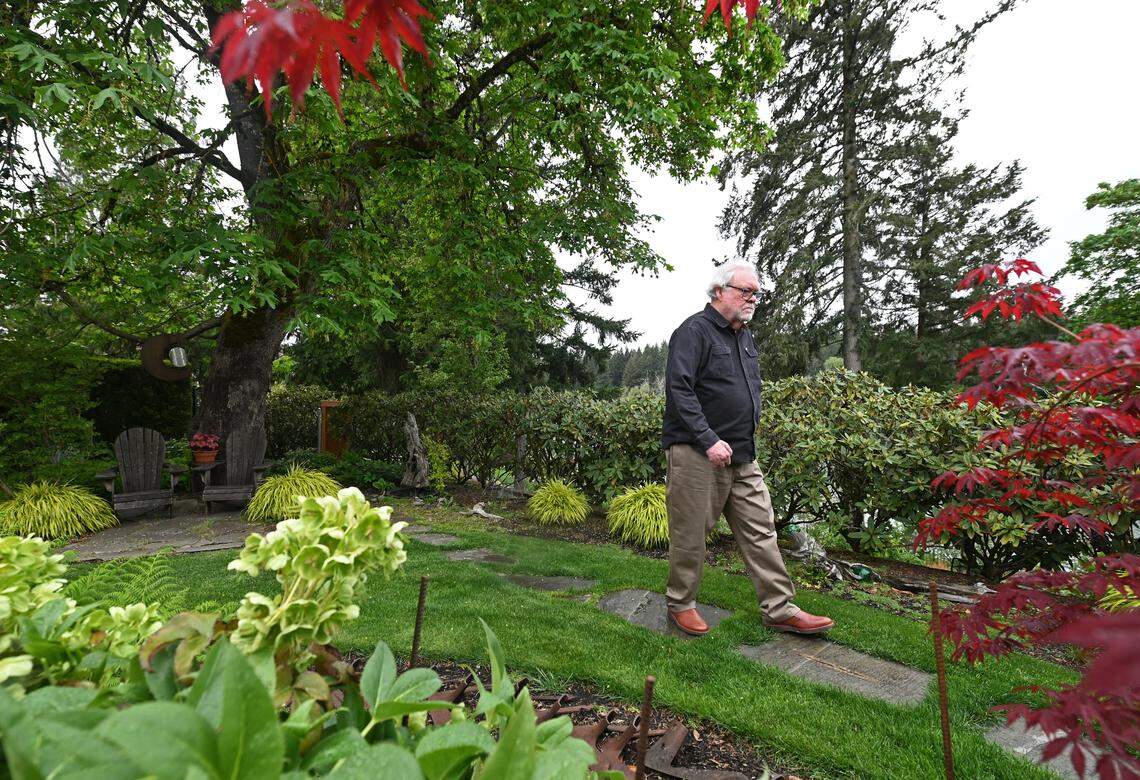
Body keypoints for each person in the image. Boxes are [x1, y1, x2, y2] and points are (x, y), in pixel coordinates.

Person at [661, 261, 834, 636]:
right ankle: (681, 604)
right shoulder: (693, 331)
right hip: (697, 453)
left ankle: (780, 609)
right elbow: (679, 391)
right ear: (719, 292)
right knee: (690, 535)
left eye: (756, 293)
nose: (753, 298)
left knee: (762, 533)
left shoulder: (744, 337)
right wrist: (709, 439)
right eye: (745, 291)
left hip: (742, 455)